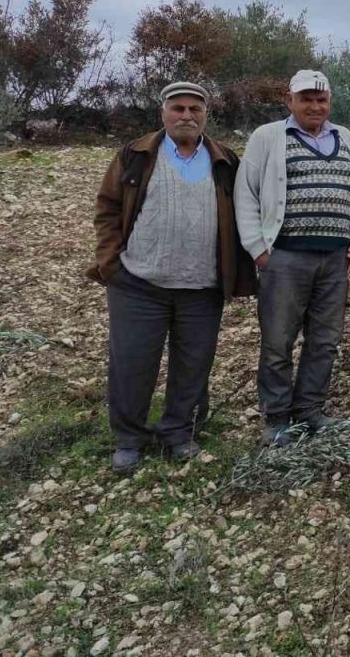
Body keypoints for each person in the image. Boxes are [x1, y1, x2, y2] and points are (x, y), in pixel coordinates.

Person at [90, 81, 255, 473]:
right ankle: (130, 438)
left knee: (194, 364)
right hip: (138, 284)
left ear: (205, 116)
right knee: (132, 363)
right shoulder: (135, 155)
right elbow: (108, 209)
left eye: (194, 109)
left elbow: (245, 214)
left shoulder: (226, 160)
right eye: (178, 108)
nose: (186, 116)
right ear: (163, 113)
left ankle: (179, 432)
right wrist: (112, 262)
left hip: (202, 287)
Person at [236, 70, 350, 445]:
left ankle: (310, 411)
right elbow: (246, 194)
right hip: (285, 257)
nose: (315, 106)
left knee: (324, 341)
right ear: (289, 101)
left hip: (335, 258)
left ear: (330, 102)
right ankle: (276, 418)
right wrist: (258, 250)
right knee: (278, 340)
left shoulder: (346, 137)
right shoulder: (269, 137)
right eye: (306, 98)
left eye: (321, 99)